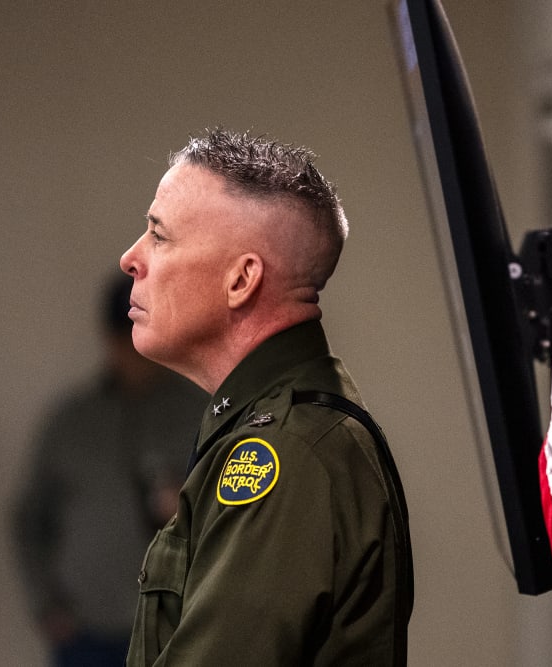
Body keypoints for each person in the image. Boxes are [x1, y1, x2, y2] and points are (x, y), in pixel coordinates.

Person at [117, 127, 413, 665]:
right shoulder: (268, 425)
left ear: (241, 281)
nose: (130, 259)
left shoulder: (285, 451)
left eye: (159, 236)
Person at [11, 273, 207, 667]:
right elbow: (29, 519)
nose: (136, 352)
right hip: (86, 633)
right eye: (125, 337)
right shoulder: (71, 421)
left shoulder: (200, 413)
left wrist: (188, 506)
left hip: (176, 629)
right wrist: (47, 606)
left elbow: (237, 519)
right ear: (109, 338)